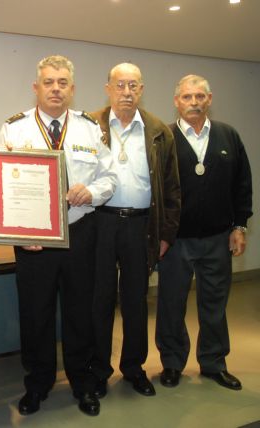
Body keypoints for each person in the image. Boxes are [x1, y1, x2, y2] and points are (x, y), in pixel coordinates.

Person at [0, 55, 117, 417]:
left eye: (62, 82)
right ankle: (38, 384)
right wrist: (18, 234)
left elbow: (110, 177)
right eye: (48, 82)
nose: (55, 88)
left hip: (81, 232)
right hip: (34, 241)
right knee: (36, 314)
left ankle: (81, 382)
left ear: (72, 88)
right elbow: (1, 185)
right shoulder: (14, 129)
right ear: (36, 87)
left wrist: (92, 192)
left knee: (81, 311)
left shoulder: (89, 129)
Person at [89, 63, 181, 398]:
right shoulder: (89, 125)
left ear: (141, 90)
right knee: (99, 299)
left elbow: (172, 188)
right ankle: (98, 370)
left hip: (142, 226)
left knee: (136, 301)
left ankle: (133, 368)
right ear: (108, 88)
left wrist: (166, 234)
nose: (127, 92)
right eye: (120, 85)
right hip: (100, 223)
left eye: (133, 86)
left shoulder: (158, 130)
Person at [155, 74, 252, 390]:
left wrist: (239, 226)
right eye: (187, 97)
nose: (193, 102)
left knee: (214, 305)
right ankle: (171, 363)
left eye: (199, 96)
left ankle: (213, 363)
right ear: (176, 101)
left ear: (209, 99)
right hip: (175, 240)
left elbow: (242, 185)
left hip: (217, 238)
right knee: (170, 304)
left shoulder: (228, 136)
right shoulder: (163, 138)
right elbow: (154, 190)